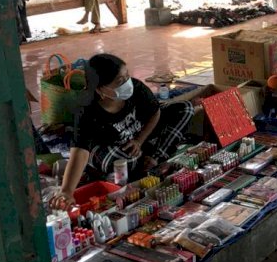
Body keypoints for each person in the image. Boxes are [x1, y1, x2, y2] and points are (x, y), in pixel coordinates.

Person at [49, 54, 194, 209]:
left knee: (185, 109)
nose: (127, 83)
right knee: (121, 162)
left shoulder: (136, 88)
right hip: (115, 149)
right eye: (119, 81)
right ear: (100, 89)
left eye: (127, 76)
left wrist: (139, 140)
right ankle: (141, 161)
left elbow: (155, 112)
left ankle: (154, 158)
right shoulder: (86, 109)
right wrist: (66, 191)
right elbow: (80, 150)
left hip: (140, 138)